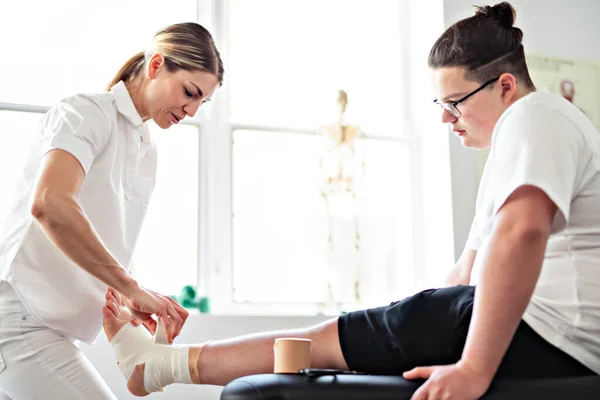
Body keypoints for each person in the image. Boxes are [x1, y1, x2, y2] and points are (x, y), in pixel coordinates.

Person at [102, 2, 600, 400]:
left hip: (553, 338)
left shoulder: (536, 116)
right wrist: (411, 320)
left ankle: (156, 368)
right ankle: (158, 368)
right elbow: (465, 273)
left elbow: (524, 231)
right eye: (440, 105)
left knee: (325, 342)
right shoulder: (511, 152)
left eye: (455, 103)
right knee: (343, 336)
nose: (447, 119)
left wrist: (472, 368)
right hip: (521, 327)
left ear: (505, 86)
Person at [0, 22, 224, 399]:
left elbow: (105, 250)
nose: (191, 109)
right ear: (156, 65)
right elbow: (50, 204)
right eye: (190, 92)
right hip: (17, 322)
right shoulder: (85, 113)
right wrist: (130, 287)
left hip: (47, 329)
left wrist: (135, 306)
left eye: (202, 102)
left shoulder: (145, 150)